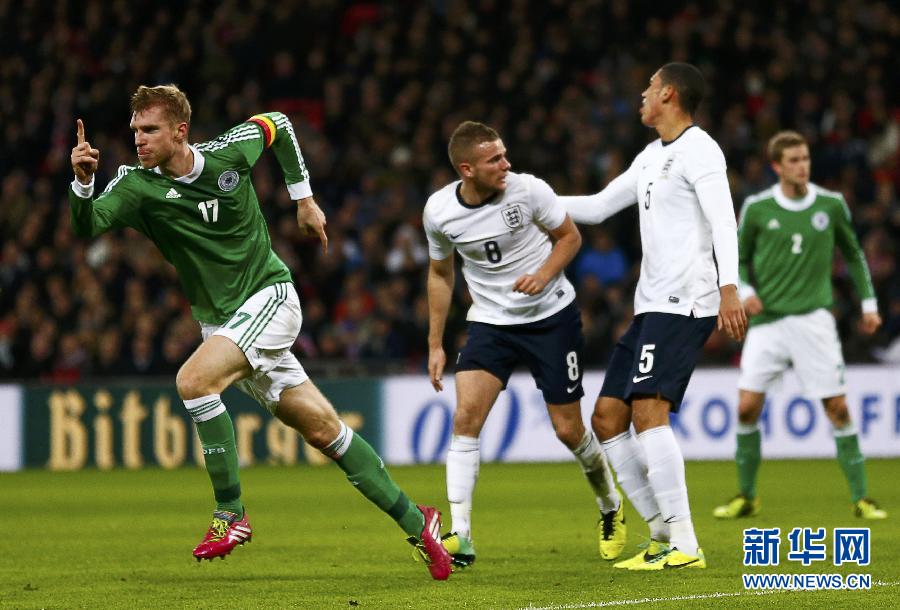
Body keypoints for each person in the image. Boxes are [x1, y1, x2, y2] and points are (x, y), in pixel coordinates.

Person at [69, 84, 452, 580]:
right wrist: (82, 183)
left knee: (193, 382)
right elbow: (86, 228)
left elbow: (279, 124)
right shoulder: (134, 186)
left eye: (149, 130)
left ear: (180, 131)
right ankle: (416, 519)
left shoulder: (229, 153)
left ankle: (230, 512)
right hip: (222, 325)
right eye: (135, 130)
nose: (138, 140)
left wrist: (304, 200)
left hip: (270, 298)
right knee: (323, 430)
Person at [562, 63, 747, 570]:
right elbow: (599, 207)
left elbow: (723, 222)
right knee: (605, 418)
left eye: (647, 87)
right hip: (650, 305)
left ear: (668, 94)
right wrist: (529, 199)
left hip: (686, 302)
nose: (641, 95)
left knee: (648, 413)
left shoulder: (701, 150)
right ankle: (661, 532)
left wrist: (728, 287)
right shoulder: (650, 155)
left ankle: (684, 542)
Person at [424, 121, 624, 568]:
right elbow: (440, 274)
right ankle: (462, 535)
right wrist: (435, 343)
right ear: (467, 168)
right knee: (465, 417)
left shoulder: (529, 190)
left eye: (505, 154)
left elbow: (570, 237)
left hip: (550, 319)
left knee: (568, 430)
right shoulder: (439, 211)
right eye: (495, 159)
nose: (506, 164)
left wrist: (544, 274)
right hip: (491, 324)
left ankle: (610, 505)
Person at [713, 130, 887, 521]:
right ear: (777, 166)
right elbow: (736, 258)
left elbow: (854, 255)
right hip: (769, 322)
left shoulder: (831, 204)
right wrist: (746, 289)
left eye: (805, 158)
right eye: (793, 160)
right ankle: (747, 496)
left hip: (814, 320)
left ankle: (862, 498)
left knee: (838, 408)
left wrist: (869, 304)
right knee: (745, 408)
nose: (802, 166)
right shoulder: (757, 208)